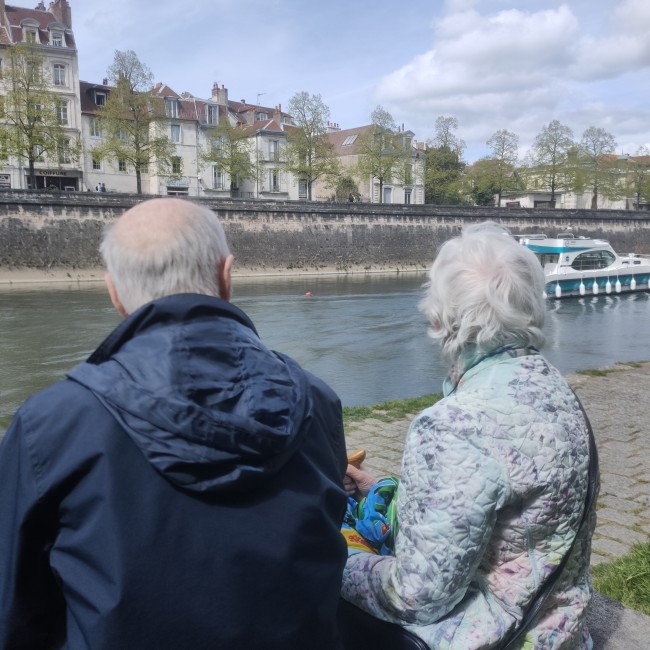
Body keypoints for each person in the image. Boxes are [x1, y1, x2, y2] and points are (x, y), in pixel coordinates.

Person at [0, 198, 348, 649]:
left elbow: (14, 611)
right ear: (226, 277)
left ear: (114, 293)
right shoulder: (317, 401)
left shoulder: (50, 425)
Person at [342, 222, 597, 649]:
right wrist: (381, 488)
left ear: (438, 319)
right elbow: (485, 508)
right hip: (561, 630)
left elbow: (414, 599)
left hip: (498, 635)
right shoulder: (556, 390)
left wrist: (338, 560)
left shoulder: (452, 425)